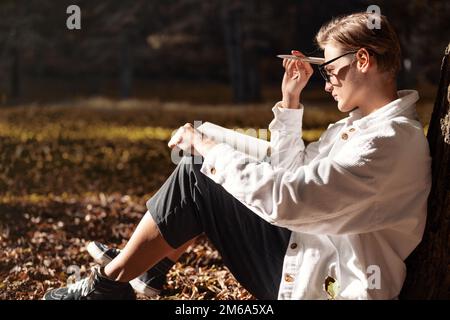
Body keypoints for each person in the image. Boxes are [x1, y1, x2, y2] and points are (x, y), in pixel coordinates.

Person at [43, 12, 431, 300]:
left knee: (199, 170)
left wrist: (208, 147)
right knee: (202, 163)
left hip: (322, 284)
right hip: (308, 247)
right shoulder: (364, 127)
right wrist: (289, 101)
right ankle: (142, 270)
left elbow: (289, 199)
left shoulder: (388, 142)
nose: (326, 80)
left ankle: (108, 286)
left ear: (363, 60)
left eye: (329, 68)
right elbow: (291, 171)